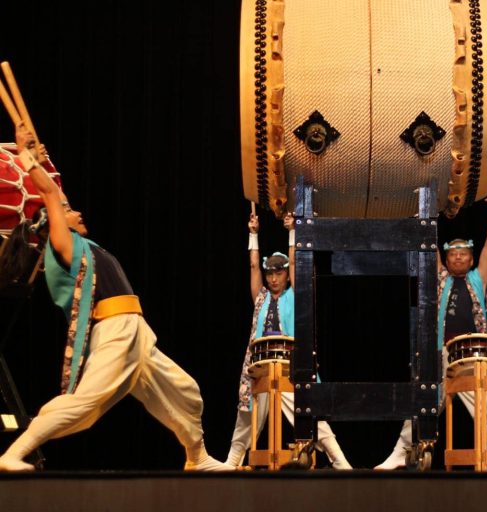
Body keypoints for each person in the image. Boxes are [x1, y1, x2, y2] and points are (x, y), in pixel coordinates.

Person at [0, 124, 230, 472]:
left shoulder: (85, 247)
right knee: (83, 405)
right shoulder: (60, 247)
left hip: (135, 330)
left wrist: (41, 161)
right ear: (55, 222)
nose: (76, 211)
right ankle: (12, 455)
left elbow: (54, 197)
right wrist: (28, 158)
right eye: (67, 209)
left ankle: (197, 458)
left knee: (184, 391)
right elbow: (49, 195)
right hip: (113, 332)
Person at [375, 182, 487, 469]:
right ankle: (400, 453)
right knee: (424, 398)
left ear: (471, 260)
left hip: (473, 353)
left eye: (464, 254)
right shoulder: (441, 279)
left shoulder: (478, 279)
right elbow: (428, 244)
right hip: (442, 352)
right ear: (447, 259)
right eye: (453, 254)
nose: (458, 257)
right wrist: (426, 213)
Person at [225, 212, 352, 469]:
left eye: (278, 273)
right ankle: (230, 464)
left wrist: (292, 232)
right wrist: (253, 233)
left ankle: (341, 463)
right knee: (246, 418)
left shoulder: (294, 296)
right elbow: (252, 266)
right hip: (259, 368)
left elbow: (296, 263)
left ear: (285, 275)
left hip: (289, 368)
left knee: (312, 417)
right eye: (270, 273)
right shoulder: (260, 298)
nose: (273, 278)